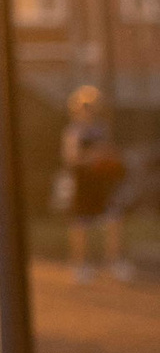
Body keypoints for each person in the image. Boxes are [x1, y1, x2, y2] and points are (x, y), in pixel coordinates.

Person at [58, 82, 128, 279]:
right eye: (85, 106)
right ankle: (79, 265)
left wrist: (108, 159)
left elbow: (110, 153)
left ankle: (114, 261)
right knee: (80, 225)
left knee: (114, 219)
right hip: (82, 184)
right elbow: (71, 158)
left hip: (101, 183)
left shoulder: (101, 129)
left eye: (92, 106)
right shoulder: (73, 132)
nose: (89, 110)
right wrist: (93, 156)